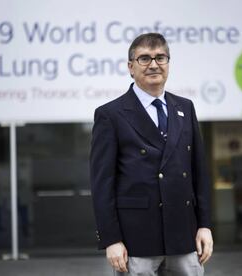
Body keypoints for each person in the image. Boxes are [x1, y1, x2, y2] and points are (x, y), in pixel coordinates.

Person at [90, 33, 213, 275]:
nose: (154, 64)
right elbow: (102, 184)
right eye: (144, 58)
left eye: (160, 57)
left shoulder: (185, 107)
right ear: (130, 67)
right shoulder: (110, 114)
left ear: (168, 63)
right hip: (136, 240)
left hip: (183, 235)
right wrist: (111, 239)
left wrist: (205, 225)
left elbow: (199, 172)